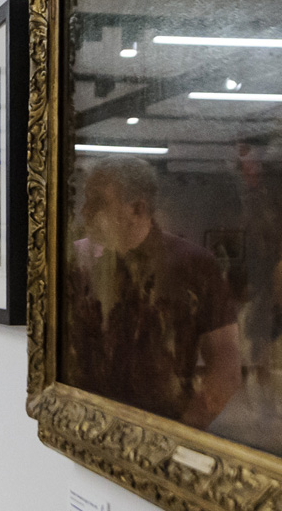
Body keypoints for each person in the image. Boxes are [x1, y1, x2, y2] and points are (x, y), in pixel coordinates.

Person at [64, 155, 242, 428]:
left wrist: (179, 436)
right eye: (86, 200)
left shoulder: (193, 265)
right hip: (90, 428)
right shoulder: (78, 261)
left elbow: (226, 368)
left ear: (137, 209)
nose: (85, 212)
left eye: (98, 202)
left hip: (163, 429)